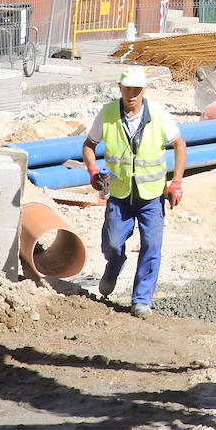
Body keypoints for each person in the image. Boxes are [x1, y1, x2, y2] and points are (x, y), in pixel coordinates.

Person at [83, 66, 188, 317]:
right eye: (128, 88)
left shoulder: (159, 115)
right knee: (112, 243)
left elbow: (180, 144)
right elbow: (89, 145)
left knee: (151, 245)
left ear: (144, 90)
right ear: (120, 88)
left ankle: (141, 300)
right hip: (119, 195)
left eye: (137, 90)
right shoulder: (107, 114)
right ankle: (115, 263)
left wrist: (176, 182)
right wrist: (93, 171)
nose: (132, 94)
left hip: (151, 195)